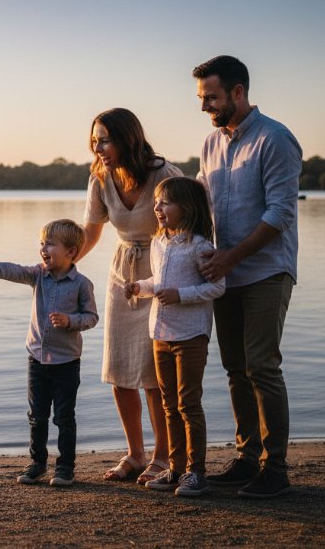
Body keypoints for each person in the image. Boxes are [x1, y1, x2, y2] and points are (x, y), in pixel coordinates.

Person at [192, 55, 302, 499]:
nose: (204, 106)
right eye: (201, 98)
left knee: (262, 366)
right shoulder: (210, 144)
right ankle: (245, 458)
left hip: (265, 270)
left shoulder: (275, 139)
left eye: (211, 97)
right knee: (235, 369)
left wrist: (232, 257)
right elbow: (200, 203)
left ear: (239, 92)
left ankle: (274, 469)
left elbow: (280, 213)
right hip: (225, 273)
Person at [81, 108, 181, 485]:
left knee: (154, 373)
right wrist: (61, 265)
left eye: (105, 138)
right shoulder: (100, 179)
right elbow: (90, 233)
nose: (98, 146)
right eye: (95, 139)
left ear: (127, 138)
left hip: (161, 272)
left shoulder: (164, 175)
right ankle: (136, 454)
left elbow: (190, 227)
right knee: (121, 370)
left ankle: (163, 456)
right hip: (122, 274)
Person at [0, 219, 99, 487]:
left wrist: (71, 321)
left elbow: (91, 317)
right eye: (41, 243)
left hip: (66, 363)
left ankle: (65, 468)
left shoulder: (82, 284)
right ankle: (37, 464)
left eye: (50, 244)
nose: (43, 248)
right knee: (36, 416)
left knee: (64, 417)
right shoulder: (37, 275)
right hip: (37, 360)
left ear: (71, 252)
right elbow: (12, 270)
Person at [124, 177, 225, 497]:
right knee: (169, 405)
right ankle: (176, 468)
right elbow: (160, 282)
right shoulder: (159, 243)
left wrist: (180, 295)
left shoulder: (200, 247)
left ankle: (197, 472)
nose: (157, 207)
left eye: (165, 202)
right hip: (160, 333)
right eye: (156, 202)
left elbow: (217, 287)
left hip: (191, 335)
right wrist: (141, 288)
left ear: (188, 207)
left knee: (188, 404)